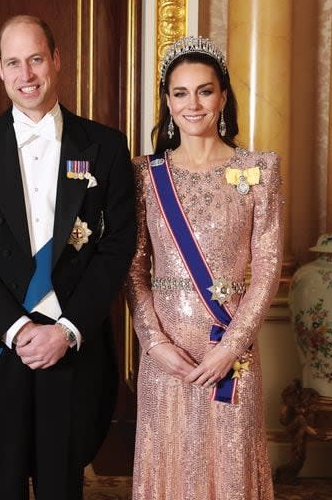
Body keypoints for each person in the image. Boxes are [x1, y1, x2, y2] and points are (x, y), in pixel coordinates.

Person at [0, 15, 136, 499]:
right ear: (0, 71)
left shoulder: (105, 146)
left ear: (56, 61)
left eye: (35, 59)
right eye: (13, 62)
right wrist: (19, 329)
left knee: (61, 484)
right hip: (1, 339)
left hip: (71, 342)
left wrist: (67, 329)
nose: (26, 74)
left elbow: (117, 246)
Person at [126, 36, 280, 499]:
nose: (193, 104)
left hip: (230, 350)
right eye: (180, 93)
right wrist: (153, 344)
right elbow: (134, 269)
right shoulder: (144, 174)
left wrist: (228, 349)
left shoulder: (260, 168)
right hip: (167, 354)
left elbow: (269, 265)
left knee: (229, 462)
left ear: (223, 95)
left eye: (204, 90)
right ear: (167, 101)